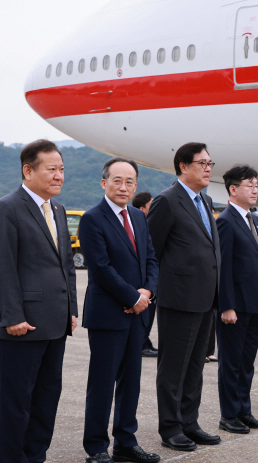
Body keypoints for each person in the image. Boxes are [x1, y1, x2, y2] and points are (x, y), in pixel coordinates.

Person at [0, 139, 78, 463]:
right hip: (21, 325)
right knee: (16, 403)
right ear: (28, 170)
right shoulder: (7, 208)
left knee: (47, 398)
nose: (59, 176)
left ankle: (36, 457)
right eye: (51, 169)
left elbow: (66, 265)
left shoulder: (59, 210)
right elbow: (2, 266)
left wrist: (72, 311)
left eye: (62, 169)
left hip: (54, 323)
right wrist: (12, 316)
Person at [80, 159, 160, 463]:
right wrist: (131, 296)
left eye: (129, 182)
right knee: (101, 383)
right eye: (117, 181)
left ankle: (126, 442)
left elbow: (151, 259)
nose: (123, 187)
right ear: (104, 184)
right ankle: (97, 448)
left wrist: (147, 292)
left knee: (131, 382)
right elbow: (100, 268)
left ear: (135, 186)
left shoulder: (139, 218)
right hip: (108, 315)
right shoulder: (92, 219)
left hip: (138, 314)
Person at [147, 142, 221, 451]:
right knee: (173, 368)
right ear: (183, 167)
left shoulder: (204, 200)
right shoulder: (167, 201)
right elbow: (153, 251)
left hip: (205, 299)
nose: (207, 168)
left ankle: (189, 422)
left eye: (209, 163)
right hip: (178, 300)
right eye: (202, 163)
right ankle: (171, 427)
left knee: (195, 367)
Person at [216, 165, 258, 434]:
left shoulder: (254, 219)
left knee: (246, 362)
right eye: (250, 185)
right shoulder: (225, 221)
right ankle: (229, 415)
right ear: (233, 189)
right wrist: (226, 305)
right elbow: (223, 267)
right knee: (231, 362)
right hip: (235, 306)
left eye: (256, 184)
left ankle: (244, 410)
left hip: (254, 304)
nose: (255, 189)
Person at [132, 191, 159, 358]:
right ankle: (142, 343)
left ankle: (145, 341)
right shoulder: (144, 225)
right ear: (142, 209)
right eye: (152, 205)